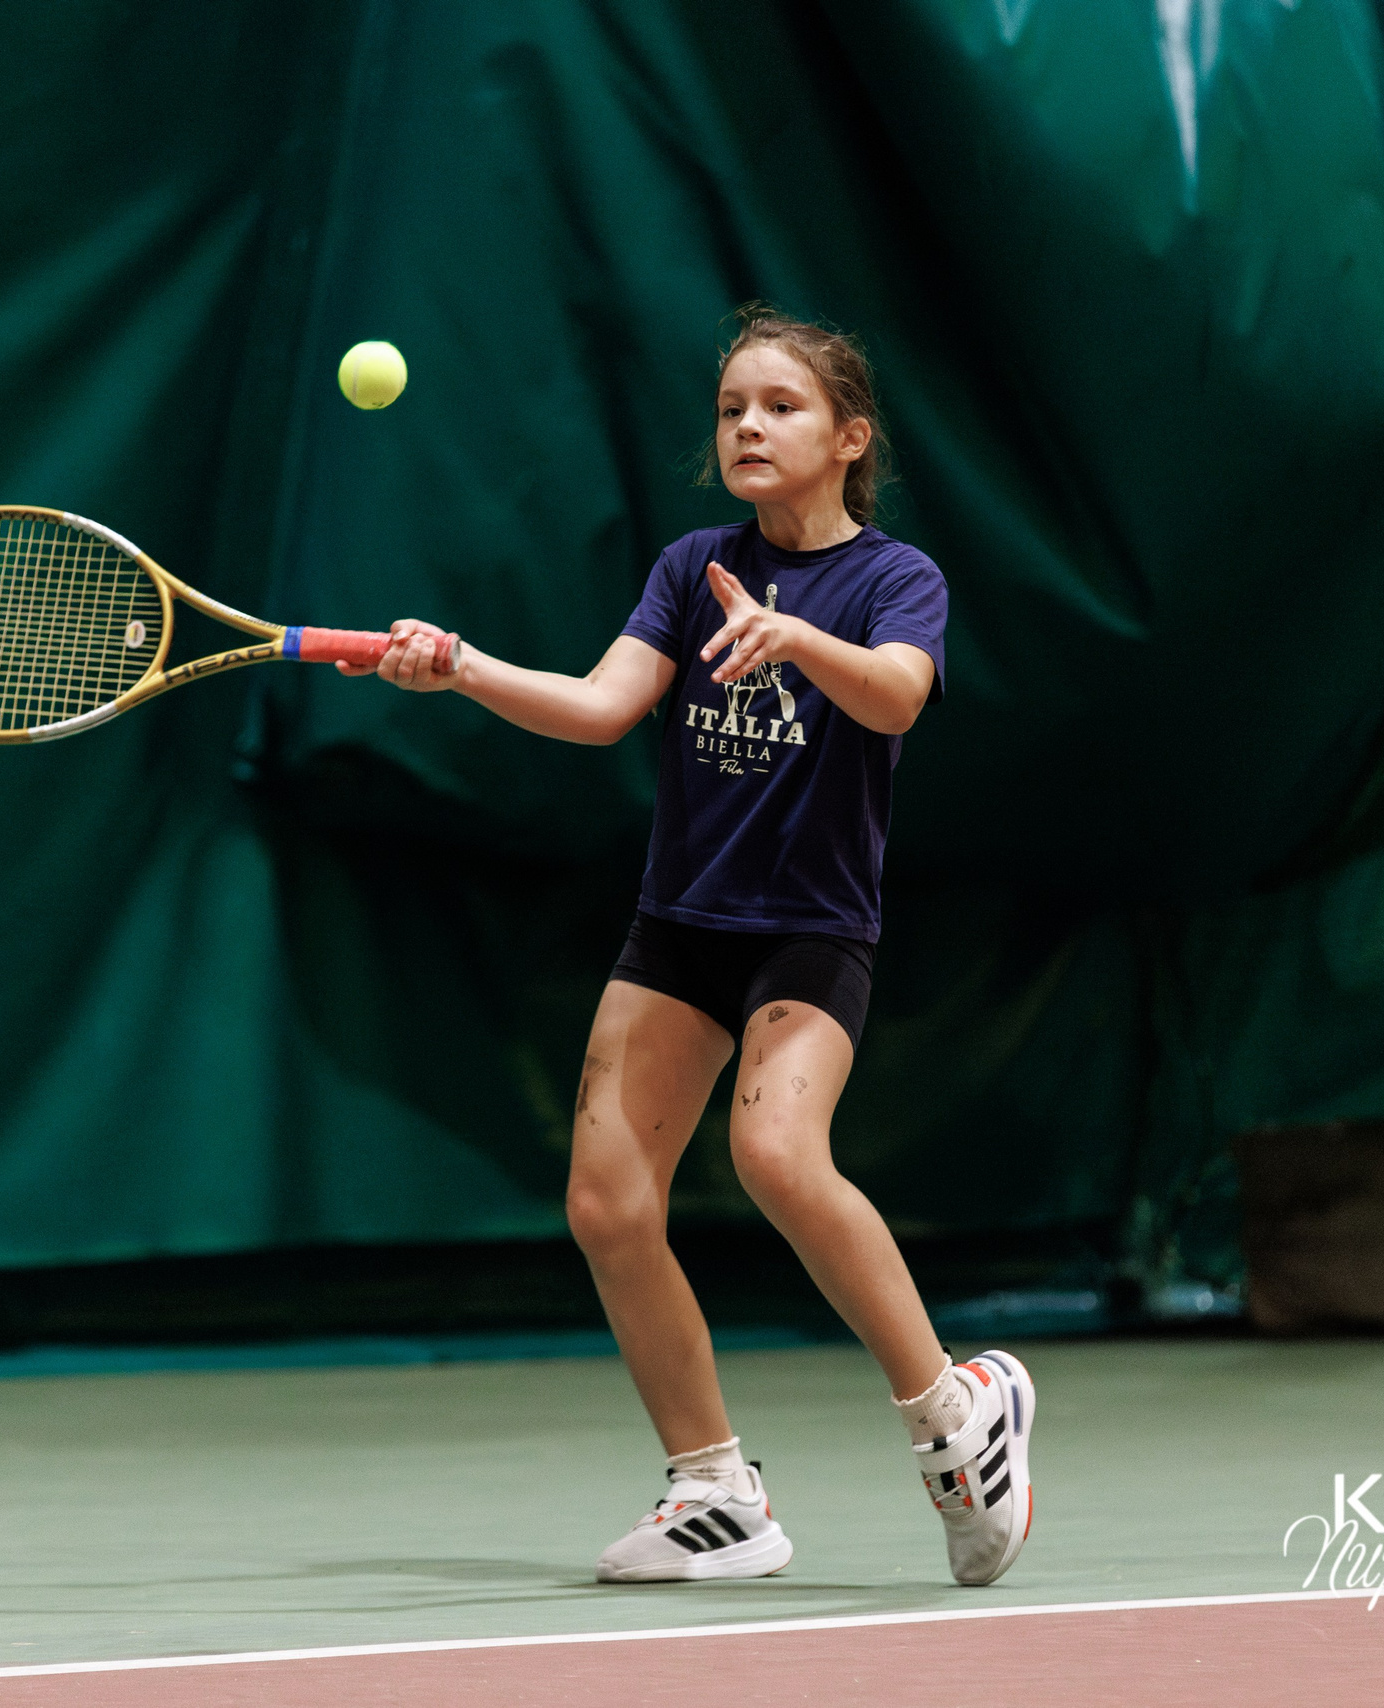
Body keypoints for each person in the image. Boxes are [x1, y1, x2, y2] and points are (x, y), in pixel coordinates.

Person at [346, 309, 1033, 1587]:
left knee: (776, 1153)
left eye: (779, 406)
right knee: (606, 1203)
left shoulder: (896, 579)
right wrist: (465, 668)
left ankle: (955, 1411)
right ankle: (714, 1489)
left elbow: (895, 696)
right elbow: (602, 707)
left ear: (850, 437)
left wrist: (796, 638)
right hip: (679, 926)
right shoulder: (690, 566)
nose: (747, 428)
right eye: (730, 410)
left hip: (808, 932)